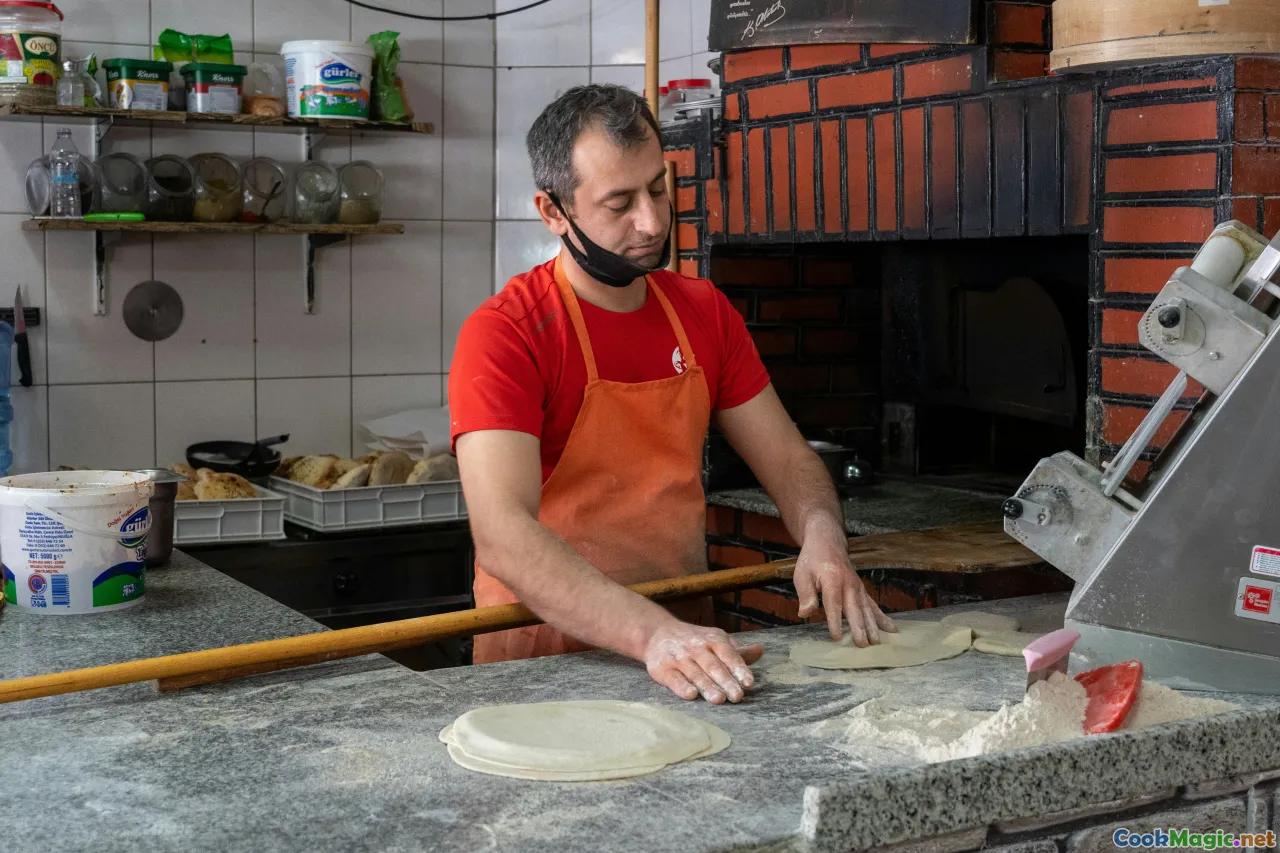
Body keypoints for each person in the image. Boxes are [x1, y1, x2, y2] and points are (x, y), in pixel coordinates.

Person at [449, 84, 895, 704]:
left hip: (687, 650)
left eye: (658, 188)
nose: (653, 223)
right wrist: (653, 634)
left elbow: (791, 461)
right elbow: (503, 534)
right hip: (544, 661)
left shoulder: (703, 313)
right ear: (553, 213)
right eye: (619, 203)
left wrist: (823, 536)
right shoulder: (506, 334)